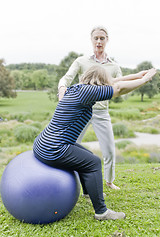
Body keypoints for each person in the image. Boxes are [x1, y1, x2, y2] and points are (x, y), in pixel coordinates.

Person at [33, 65, 156, 220]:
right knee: (93, 163)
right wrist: (144, 80)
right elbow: (117, 88)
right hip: (54, 149)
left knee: (88, 155)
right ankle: (101, 212)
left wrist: (137, 75)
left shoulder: (78, 88)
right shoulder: (89, 92)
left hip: (43, 144)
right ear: (100, 81)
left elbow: (114, 81)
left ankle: (89, 192)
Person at [58, 26, 123, 190]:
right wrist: (61, 91)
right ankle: (69, 181)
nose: (99, 41)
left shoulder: (114, 66)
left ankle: (109, 181)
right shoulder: (81, 61)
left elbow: (121, 85)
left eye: (102, 38)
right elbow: (65, 79)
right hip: (81, 111)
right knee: (70, 147)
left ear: (107, 40)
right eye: (96, 38)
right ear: (91, 40)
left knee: (109, 150)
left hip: (101, 112)